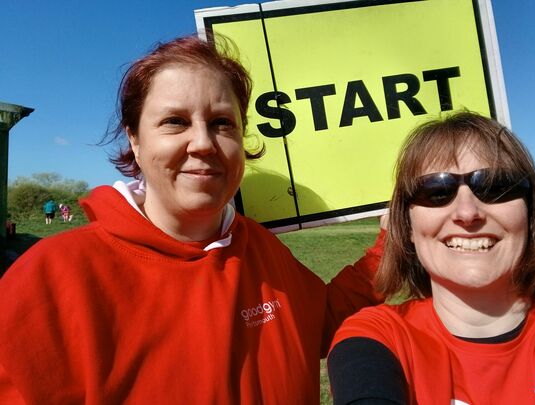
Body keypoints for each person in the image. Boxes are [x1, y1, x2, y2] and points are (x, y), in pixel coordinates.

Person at [0, 35, 385, 404]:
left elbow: (319, 324)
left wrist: (389, 244)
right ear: (134, 139)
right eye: (175, 121)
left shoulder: (259, 246)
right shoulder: (49, 277)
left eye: (222, 123)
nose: (203, 142)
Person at [328, 112, 535, 404]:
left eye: (494, 187)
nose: (467, 213)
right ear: (408, 227)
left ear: (529, 212)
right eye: (436, 191)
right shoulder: (377, 337)